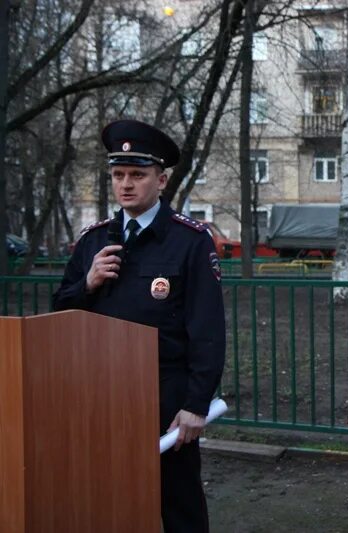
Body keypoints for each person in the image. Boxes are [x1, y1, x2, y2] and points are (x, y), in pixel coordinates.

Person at [53, 119, 226, 533]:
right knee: (109, 497)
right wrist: (87, 283)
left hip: (165, 398)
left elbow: (207, 329)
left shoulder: (190, 241)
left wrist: (196, 404)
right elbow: (60, 311)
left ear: (161, 180)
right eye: (118, 175)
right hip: (102, 394)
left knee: (178, 502)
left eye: (137, 175)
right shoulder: (94, 241)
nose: (126, 184)